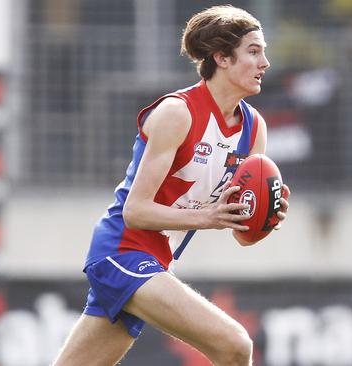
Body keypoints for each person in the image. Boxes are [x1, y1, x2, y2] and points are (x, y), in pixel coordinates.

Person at [52, 5, 290, 366]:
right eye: (254, 51)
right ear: (222, 58)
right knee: (235, 345)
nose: (265, 62)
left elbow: (241, 232)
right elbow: (135, 212)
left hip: (157, 261)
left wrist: (264, 215)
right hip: (122, 252)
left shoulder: (254, 129)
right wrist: (209, 217)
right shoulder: (178, 113)